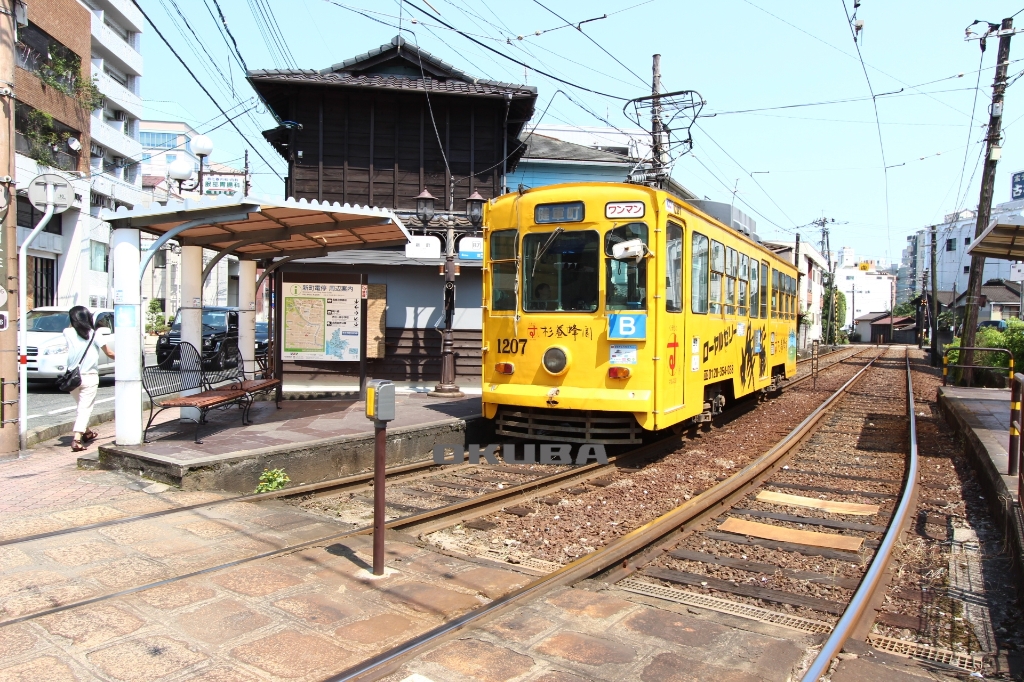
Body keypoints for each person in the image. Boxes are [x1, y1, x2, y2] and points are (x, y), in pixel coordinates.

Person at [63, 306, 114, 452]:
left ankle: (87, 433)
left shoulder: (68, 332)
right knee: (84, 409)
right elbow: (109, 353)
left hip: (73, 378)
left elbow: (70, 327)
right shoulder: (95, 334)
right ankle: (77, 440)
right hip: (90, 377)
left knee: (81, 407)